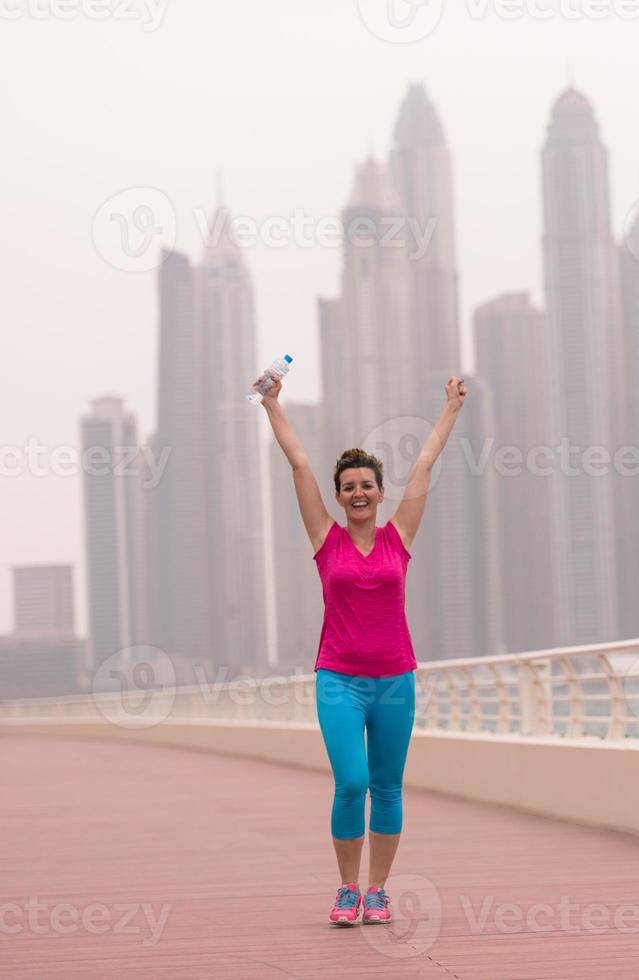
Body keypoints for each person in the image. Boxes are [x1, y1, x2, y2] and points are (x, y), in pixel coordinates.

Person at [258, 371, 467, 926]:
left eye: (366, 485)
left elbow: (423, 466)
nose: (357, 493)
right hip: (340, 680)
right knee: (352, 783)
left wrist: (450, 408)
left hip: (396, 680)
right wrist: (272, 404)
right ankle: (347, 889)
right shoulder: (326, 542)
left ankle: (378, 891)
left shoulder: (399, 538)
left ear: (379, 492)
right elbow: (300, 464)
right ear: (339, 495)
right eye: (348, 486)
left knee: (388, 787)